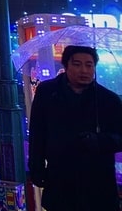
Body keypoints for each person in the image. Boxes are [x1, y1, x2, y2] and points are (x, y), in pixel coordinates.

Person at [28, 45, 122, 211]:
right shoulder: (47, 92)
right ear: (66, 66)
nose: (84, 70)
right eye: (77, 64)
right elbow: (38, 131)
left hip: (98, 181)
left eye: (89, 65)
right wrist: (36, 167)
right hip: (60, 176)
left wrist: (99, 141)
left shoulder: (108, 99)